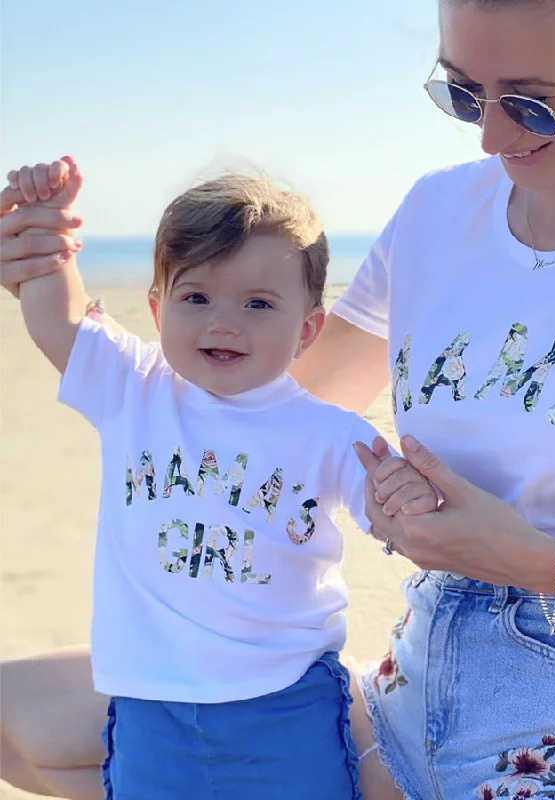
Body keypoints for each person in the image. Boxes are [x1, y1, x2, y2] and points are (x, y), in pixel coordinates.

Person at [2, 0, 555, 798]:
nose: (490, 137)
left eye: (529, 101)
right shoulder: (437, 213)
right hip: (406, 686)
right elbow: (265, 403)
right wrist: (51, 284)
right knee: (16, 716)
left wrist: (536, 563)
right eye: (461, 93)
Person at [2, 157, 438, 799]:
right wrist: (44, 222)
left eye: (259, 303)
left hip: (287, 702)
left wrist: (403, 498)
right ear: (157, 309)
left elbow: (398, 518)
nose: (223, 322)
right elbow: (56, 317)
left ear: (308, 329)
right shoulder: (133, 388)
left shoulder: (328, 430)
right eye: (196, 297)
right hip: (152, 701)